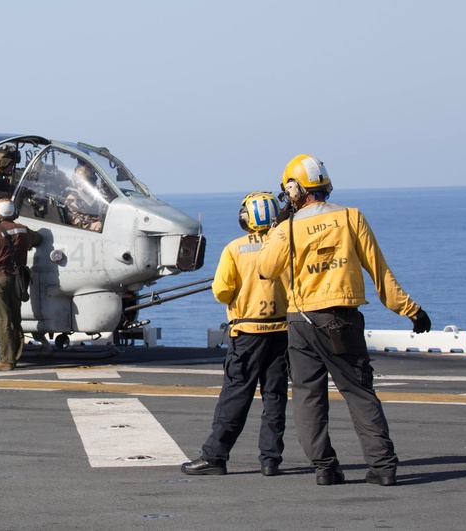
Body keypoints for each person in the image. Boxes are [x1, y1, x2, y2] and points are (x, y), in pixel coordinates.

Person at [257, 155, 432, 487]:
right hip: (342, 320)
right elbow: (380, 273)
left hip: (301, 323)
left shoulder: (287, 229)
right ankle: (382, 466)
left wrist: (279, 226)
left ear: (293, 189)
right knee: (359, 391)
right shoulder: (352, 217)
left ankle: (324, 468)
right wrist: (411, 310)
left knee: (308, 396)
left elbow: (266, 269)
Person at [182, 192, 289, 478]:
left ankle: (215, 457)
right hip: (282, 330)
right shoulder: (288, 245)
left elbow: (221, 291)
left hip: (247, 333)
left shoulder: (235, 248)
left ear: (247, 217)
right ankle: (271, 460)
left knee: (235, 396)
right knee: (275, 397)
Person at [0, 198, 42, 371]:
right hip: (17, 280)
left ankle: (6, 360)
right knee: (15, 319)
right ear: (14, 213)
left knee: (3, 321)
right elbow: (38, 238)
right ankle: (15, 355)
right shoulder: (23, 230)